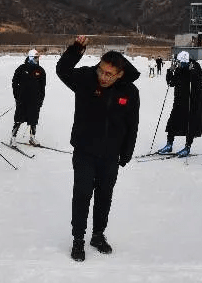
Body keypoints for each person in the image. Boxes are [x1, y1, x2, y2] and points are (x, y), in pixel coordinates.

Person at [56, 35, 140, 262]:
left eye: (109, 74)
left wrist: (126, 152)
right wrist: (75, 50)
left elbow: (132, 125)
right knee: (82, 195)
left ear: (120, 74)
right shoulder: (86, 79)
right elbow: (62, 70)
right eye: (101, 71)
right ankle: (78, 240)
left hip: (110, 155)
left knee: (105, 196)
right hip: (84, 151)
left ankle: (98, 235)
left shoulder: (130, 92)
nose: (103, 77)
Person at [157, 50, 202, 157]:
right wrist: (170, 71)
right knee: (172, 122)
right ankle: (169, 144)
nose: (181, 65)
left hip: (191, 102)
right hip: (179, 101)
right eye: (180, 63)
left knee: (190, 125)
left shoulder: (195, 66)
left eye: (183, 63)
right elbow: (171, 83)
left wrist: (193, 72)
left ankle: (187, 147)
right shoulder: (178, 68)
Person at [11, 49, 46, 146]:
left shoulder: (40, 70)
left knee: (33, 119)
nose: (37, 59)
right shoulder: (21, 69)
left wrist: (41, 99)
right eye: (35, 57)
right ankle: (13, 138)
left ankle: (32, 138)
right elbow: (14, 82)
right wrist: (17, 95)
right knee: (18, 118)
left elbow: (42, 86)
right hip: (22, 99)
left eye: (38, 57)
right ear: (30, 58)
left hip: (35, 100)